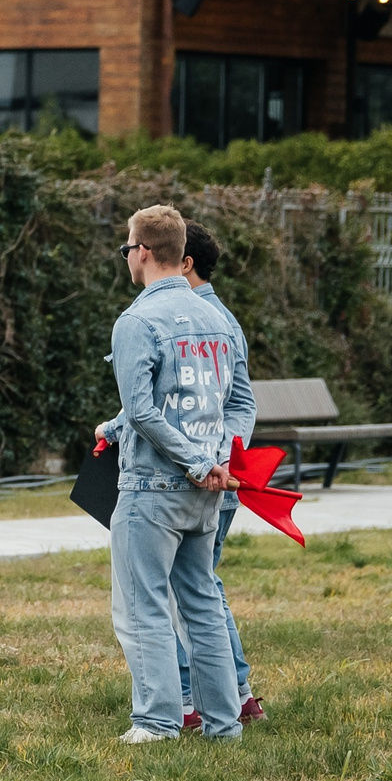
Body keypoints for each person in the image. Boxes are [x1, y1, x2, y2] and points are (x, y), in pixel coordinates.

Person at [101, 204, 250, 743]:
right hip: (205, 492)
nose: (127, 257)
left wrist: (197, 461)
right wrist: (216, 461)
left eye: (127, 249)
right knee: (202, 607)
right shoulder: (219, 319)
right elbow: (238, 402)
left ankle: (157, 721)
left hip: (151, 487)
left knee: (143, 608)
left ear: (142, 251)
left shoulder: (136, 321)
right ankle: (224, 725)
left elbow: (144, 410)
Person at [171, 221, 262, 728]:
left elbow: (239, 403)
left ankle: (197, 699)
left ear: (185, 263)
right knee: (201, 585)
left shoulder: (205, 318)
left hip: (207, 477)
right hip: (210, 472)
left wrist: (213, 459)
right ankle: (236, 696)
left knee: (194, 589)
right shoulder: (211, 316)